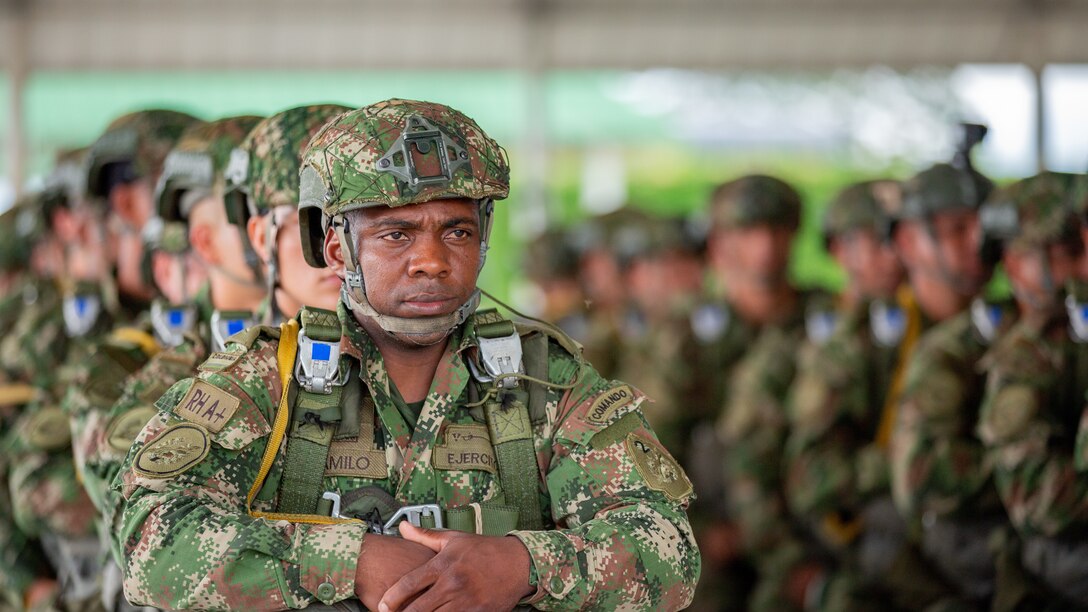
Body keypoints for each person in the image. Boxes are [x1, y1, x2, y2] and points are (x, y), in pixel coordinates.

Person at [112, 99, 699, 611]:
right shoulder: (266, 378)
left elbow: (668, 549)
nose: (432, 261)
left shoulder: (545, 380)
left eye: (457, 232)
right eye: (397, 234)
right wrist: (351, 560)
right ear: (337, 247)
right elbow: (148, 538)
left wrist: (521, 567)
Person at [887, 159, 1014, 609]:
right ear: (906, 240)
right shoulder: (881, 336)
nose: (977, 244)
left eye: (985, 228)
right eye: (957, 229)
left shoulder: (1016, 327)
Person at [780, 179, 911, 610]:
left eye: (900, 236)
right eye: (876, 240)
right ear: (839, 250)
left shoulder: (915, 321)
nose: (893, 253)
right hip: (835, 538)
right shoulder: (829, 339)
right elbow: (806, 478)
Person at [974, 172, 1088, 608]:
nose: (1082, 269)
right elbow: (1039, 499)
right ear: (1015, 264)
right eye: (1066, 255)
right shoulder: (1025, 355)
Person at [223, 104, 350, 326]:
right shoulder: (241, 360)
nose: (337, 248)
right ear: (262, 239)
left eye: (351, 223)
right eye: (314, 223)